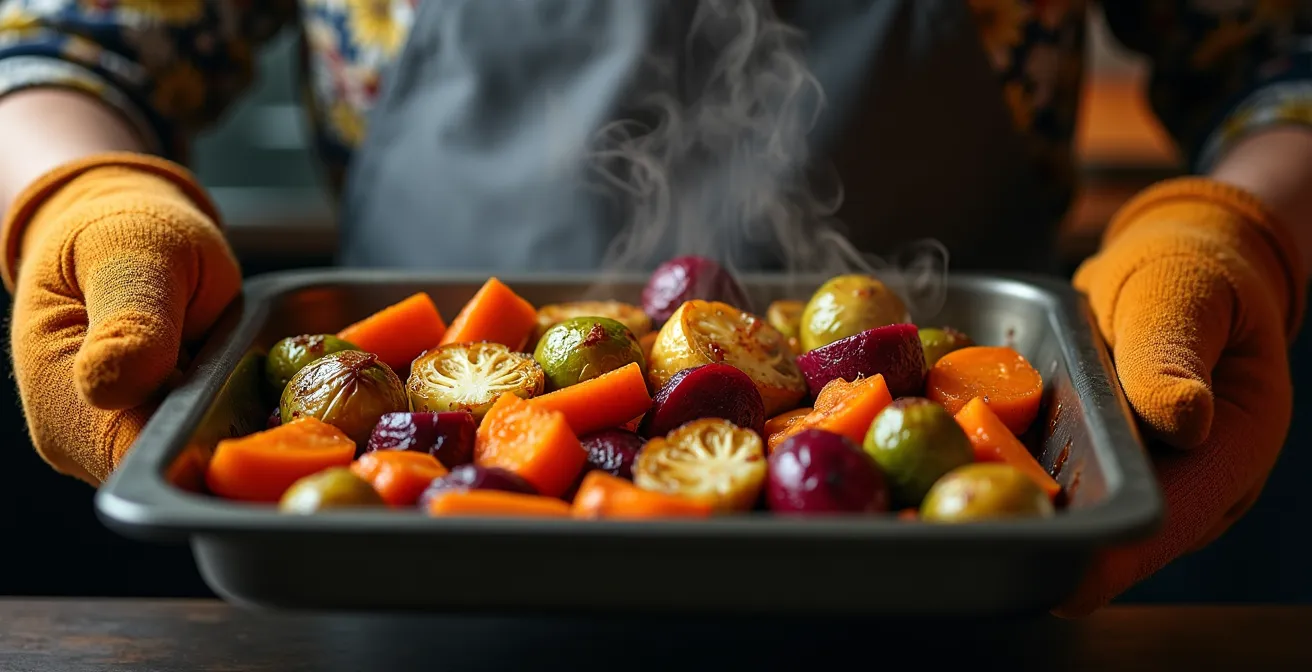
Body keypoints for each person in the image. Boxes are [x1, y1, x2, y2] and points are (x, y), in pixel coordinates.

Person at [0, 0, 1308, 616]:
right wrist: (76, 197)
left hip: (946, 601)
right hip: (402, 601)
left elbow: (1278, 51)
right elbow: (60, 45)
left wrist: (1237, 230)